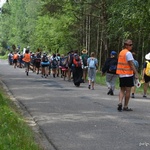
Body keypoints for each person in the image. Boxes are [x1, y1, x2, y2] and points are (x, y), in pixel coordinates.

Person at [116, 39, 138, 111]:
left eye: (132, 44)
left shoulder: (121, 52)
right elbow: (131, 64)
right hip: (128, 74)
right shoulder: (128, 53)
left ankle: (119, 102)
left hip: (121, 74)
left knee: (122, 89)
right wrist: (136, 73)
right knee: (128, 90)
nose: (131, 46)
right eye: (130, 45)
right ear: (126, 45)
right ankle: (125, 106)